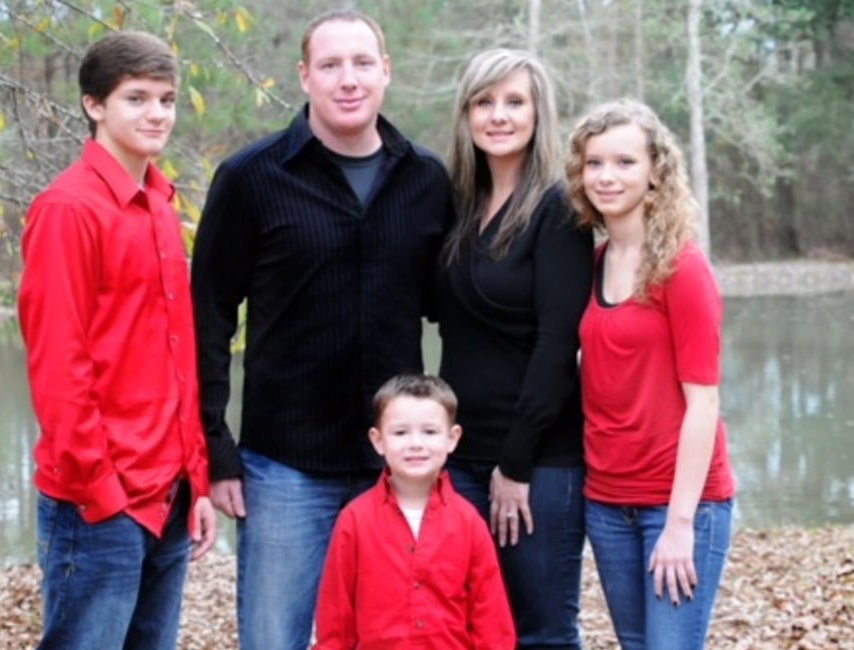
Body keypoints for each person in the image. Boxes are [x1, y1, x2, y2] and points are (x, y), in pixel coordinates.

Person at [190, 10, 452, 649]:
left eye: (362, 63)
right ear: (304, 76)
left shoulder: (426, 179)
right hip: (285, 466)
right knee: (274, 638)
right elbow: (208, 317)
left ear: (385, 71)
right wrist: (215, 447)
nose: (348, 79)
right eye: (330, 65)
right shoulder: (251, 178)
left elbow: (454, 308)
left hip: (395, 465)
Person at [17, 30, 216, 650]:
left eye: (166, 99)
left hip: (168, 495)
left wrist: (196, 480)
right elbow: (59, 365)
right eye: (137, 98)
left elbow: (176, 357)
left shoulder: (159, 203)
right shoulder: (68, 209)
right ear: (94, 104)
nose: (157, 114)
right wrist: (100, 490)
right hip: (101, 501)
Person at [434, 48, 593, 648]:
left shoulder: (559, 210)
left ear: (537, 113)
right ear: (466, 114)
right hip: (460, 453)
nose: (498, 115)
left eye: (514, 102)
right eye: (484, 102)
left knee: (542, 633)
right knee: (471, 628)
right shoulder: (458, 207)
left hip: (539, 461)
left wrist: (515, 466)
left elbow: (557, 347)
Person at [566, 99, 736, 650]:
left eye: (624, 162)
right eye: (594, 163)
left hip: (679, 503)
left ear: (655, 172)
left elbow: (704, 403)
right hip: (606, 501)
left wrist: (680, 523)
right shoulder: (593, 262)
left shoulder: (681, 269)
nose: (606, 177)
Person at [313, 374, 516, 649]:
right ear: (378, 440)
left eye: (430, 432)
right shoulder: (354, 519)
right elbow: (336, 618)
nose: (416, 443)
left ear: (452, 438)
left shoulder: (469, 522)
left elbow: (491, 618)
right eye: (400, 433)